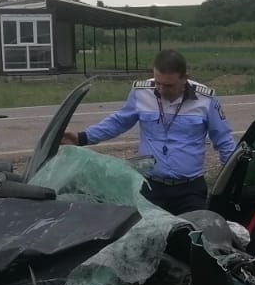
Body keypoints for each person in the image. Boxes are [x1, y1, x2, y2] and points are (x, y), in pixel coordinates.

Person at [60, 49, 235, 215]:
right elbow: (118, 122)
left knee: (193, 233)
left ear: (184, 79)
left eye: (168, 85)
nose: (161, 89)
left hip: (190, 190)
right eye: (158, 83)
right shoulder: (142, 92)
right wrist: (82, 138)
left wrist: (234, 177)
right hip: (151, 187)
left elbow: (224, 140)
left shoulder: (206, 99)